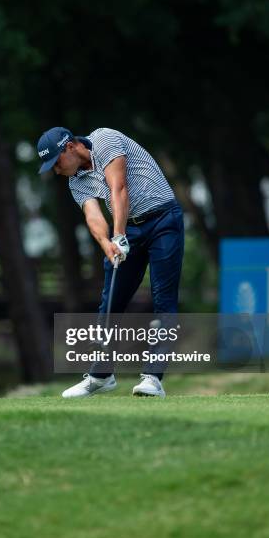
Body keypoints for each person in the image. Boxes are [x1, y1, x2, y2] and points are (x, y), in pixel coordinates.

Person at [37, 126, 184, 398]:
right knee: (110, 302)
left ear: (70, 147)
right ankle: (101, 375)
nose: (56, 170)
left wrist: (118, 235)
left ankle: (153, 377)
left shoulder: (105, 139)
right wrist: (107, 245)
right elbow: (93, 215)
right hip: (130, 229)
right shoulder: (75, 182)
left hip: (163, 220)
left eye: (56, 162)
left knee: (163, 299)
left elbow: (119, 189)